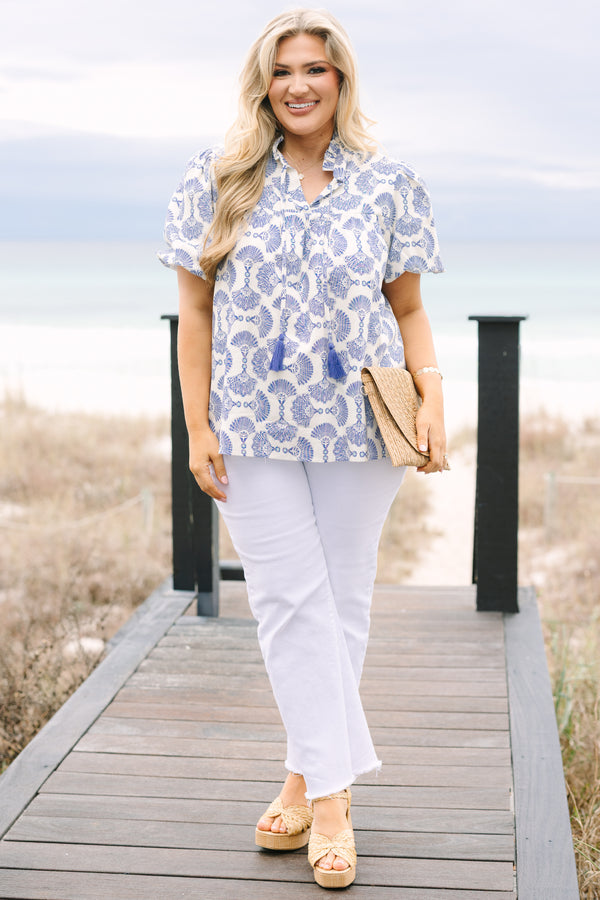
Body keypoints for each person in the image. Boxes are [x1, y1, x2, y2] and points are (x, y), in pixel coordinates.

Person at [159, 8, 446, 889]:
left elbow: (407, 310)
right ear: (263, 82)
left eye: (316, 68)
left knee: (342, 602)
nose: (299, 84)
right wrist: (197, 423)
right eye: (283, 69)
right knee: (288, 600)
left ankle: (304, 775)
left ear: (341, 80)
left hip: (361, 419)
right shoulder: (215, 181)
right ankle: (333, 806)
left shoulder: (389, 182)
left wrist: (434, 394)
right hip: (250, 422)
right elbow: (196, 313)